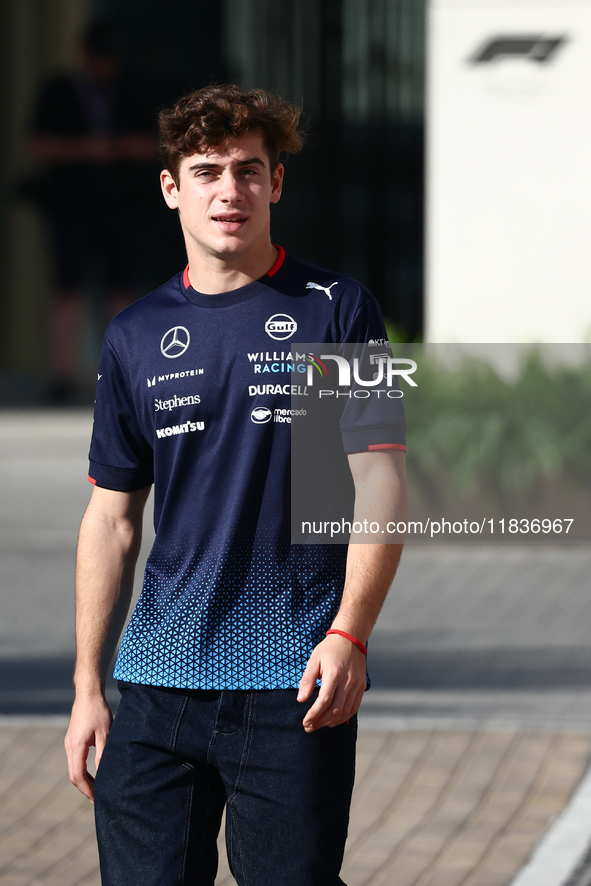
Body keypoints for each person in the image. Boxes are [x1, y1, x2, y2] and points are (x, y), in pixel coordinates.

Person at [64, 84, 407, 886]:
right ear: (171, 188)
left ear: (277, 183)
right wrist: (88, 686)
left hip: (292, 682)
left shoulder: (337, 310)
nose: (230, 191)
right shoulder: (134, 333)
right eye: (208, 170)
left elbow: (380, 482)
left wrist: (350, 633)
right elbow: (111, 518)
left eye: (250, 171)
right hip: (155, 686)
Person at [28, 17, 157, 402]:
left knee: (122, 290)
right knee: (67, 289)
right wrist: (85, 149)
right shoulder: (60, 89)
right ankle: (62, 376)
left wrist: (120, 148)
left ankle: (125, 376)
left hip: (123, 204)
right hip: (72, 205)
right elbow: (37, 144)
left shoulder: (131, 88)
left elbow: (155, 143)